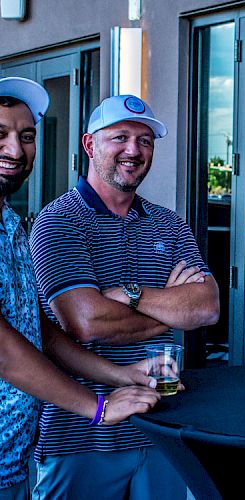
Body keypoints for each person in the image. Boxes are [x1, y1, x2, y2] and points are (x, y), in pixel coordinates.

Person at [29, 94, 220, 499]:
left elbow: (207, 307)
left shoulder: (168, 224)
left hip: (161, 428)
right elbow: (85, 322)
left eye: (145, 140)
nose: (134, 151)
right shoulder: (59, 221)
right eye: (120, 137)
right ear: (89, 145)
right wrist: (171, 308)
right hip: (80, 435)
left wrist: (130, 295)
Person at [0, 78, 161, 499]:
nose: (16, 151)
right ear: (90, 146)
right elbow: (8, 345)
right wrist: (99, 406)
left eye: (27, 136)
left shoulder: (11, 227)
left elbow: (36, 329)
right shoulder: (55, 220)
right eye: (0, 134)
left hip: (13, 457)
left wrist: (117, 375)